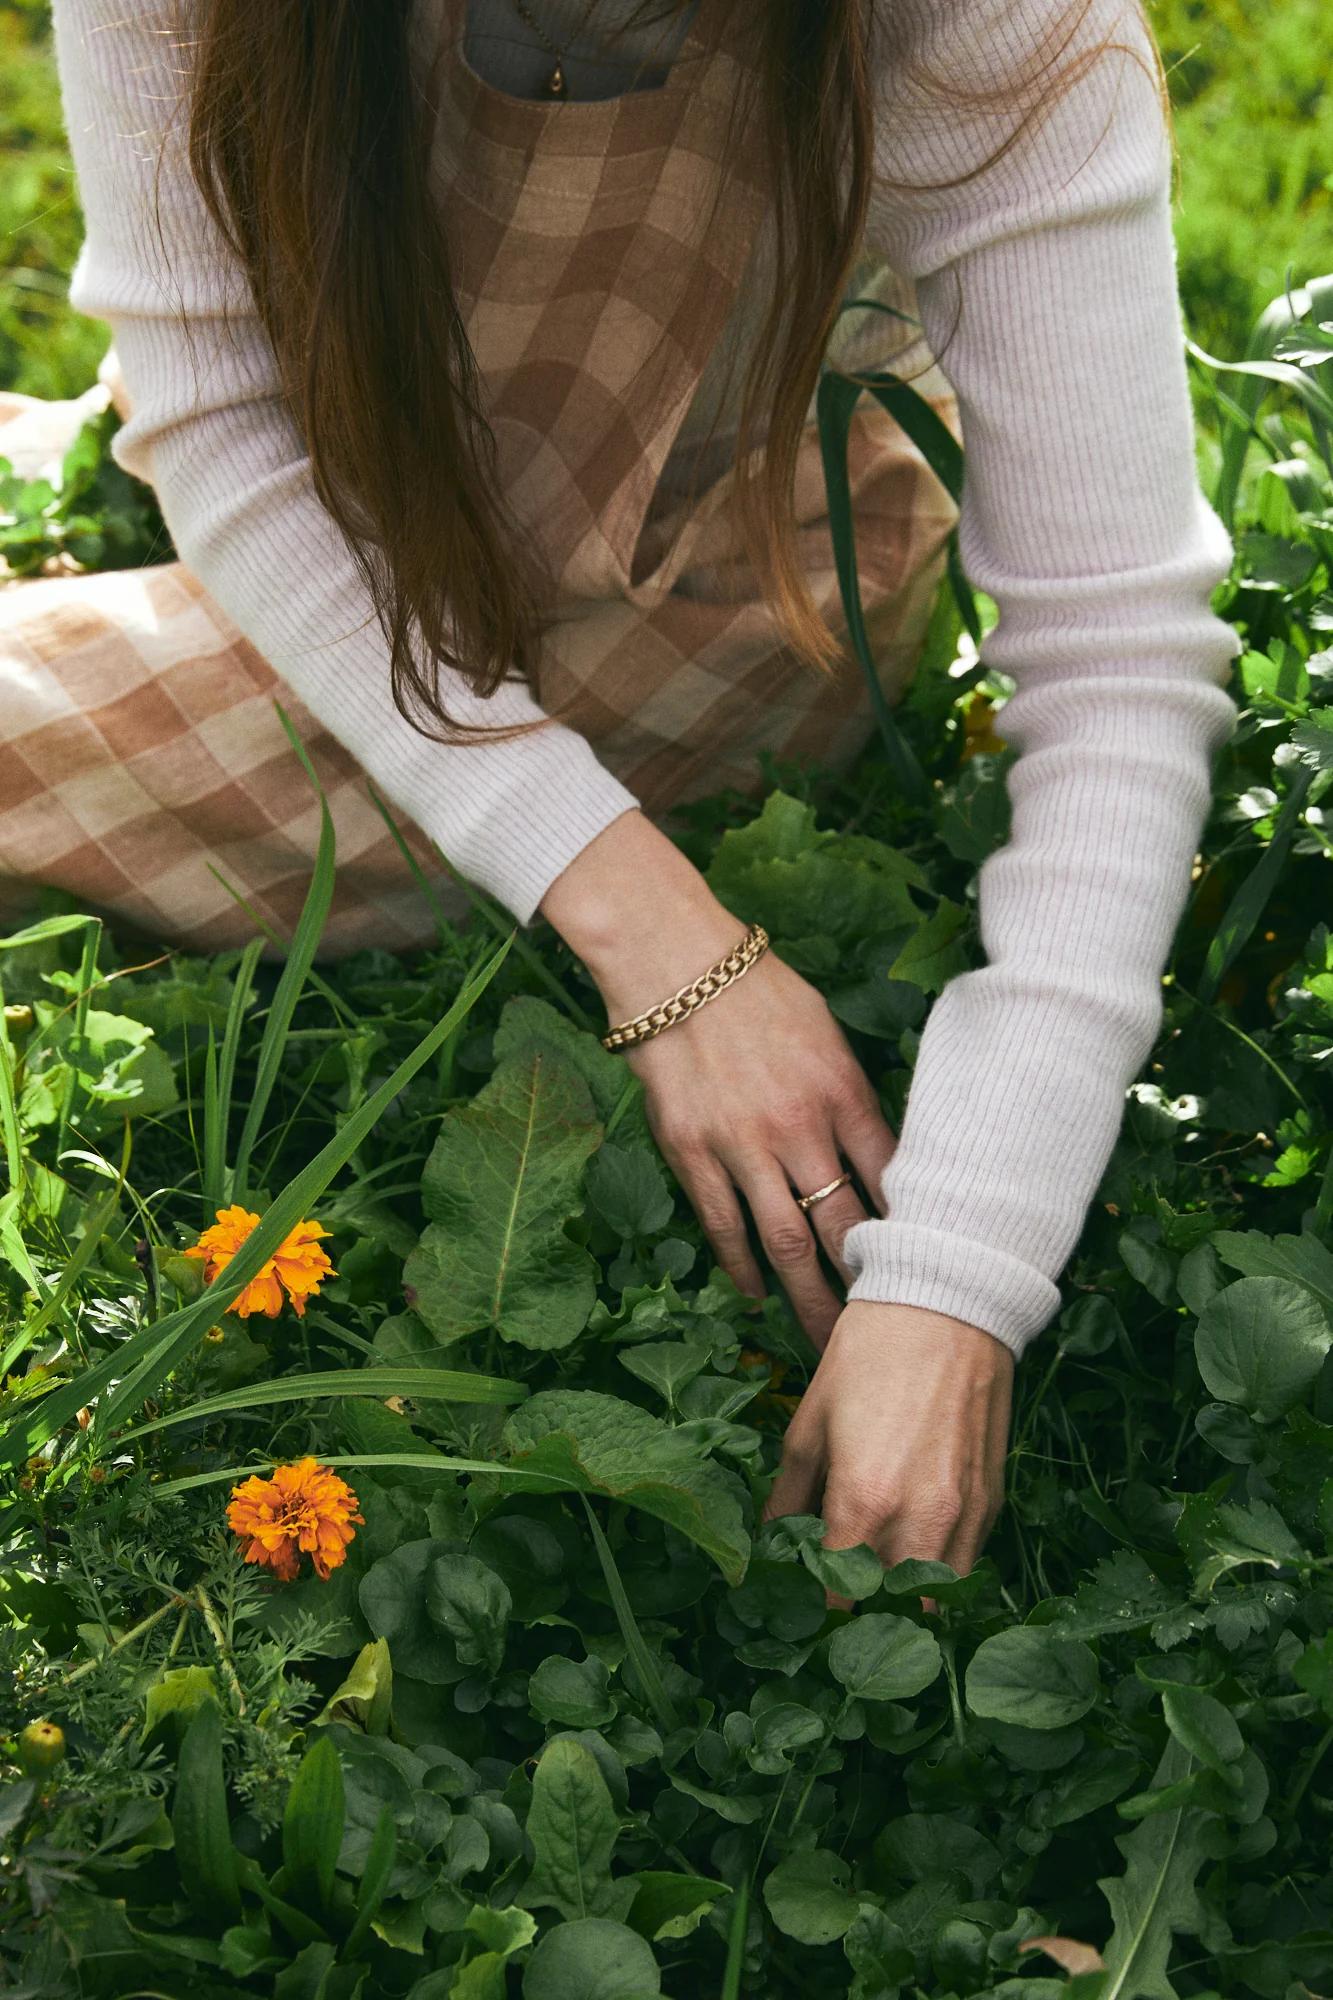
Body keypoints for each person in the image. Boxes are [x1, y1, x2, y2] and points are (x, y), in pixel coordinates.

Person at [14, 0, 1239, 1582]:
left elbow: (1117, 654)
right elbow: (227, 425)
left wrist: (958, 1272)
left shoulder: (988, 18)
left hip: (728, 592)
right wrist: (662, 938)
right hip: (344, 526)